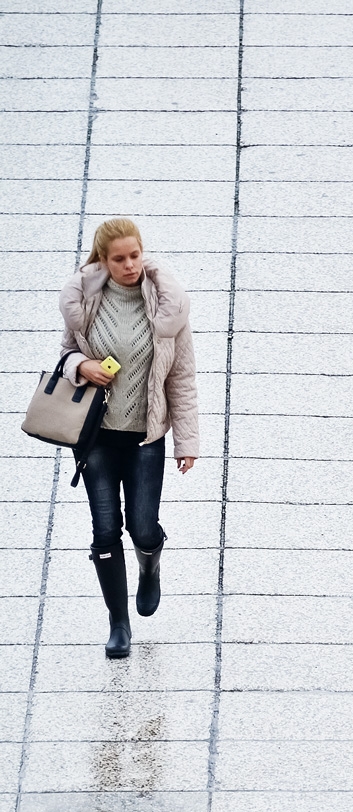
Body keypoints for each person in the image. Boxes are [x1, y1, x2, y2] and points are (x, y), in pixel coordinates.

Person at [58, 218, 199, 659]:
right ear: (103, 260)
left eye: (134, 255)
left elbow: (181, 378)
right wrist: (81, 366)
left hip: (145, 438)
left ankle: (149, 565)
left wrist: (187, 443)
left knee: (142, 527)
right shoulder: (86, 302)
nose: (129, 265)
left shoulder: (167, 305)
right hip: (95, 436)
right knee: (105, 529)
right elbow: (65, 355)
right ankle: (118, 624)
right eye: (119, 259)